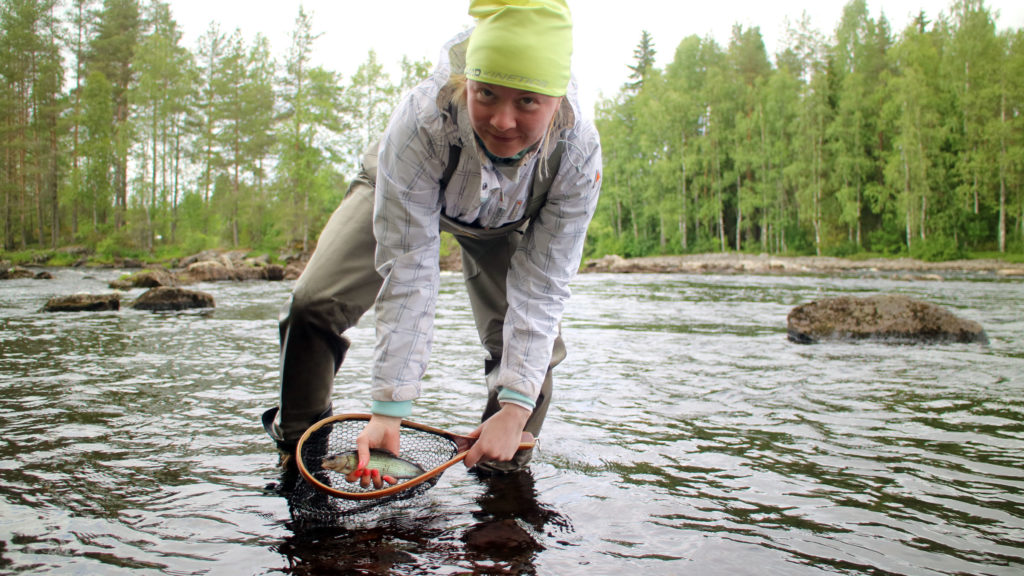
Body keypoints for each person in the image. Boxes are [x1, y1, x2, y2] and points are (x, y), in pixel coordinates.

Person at [263, 0, 602, 482]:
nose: (503, 121)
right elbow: (410, 273)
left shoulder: (577, 154)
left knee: (533, 362)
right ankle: (300, 454)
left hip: (504, 222)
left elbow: (544, 288)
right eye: (485, 93)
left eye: (527, 101)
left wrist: (515, 407)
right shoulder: (422, 121)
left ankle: (503, 479)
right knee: (313, 305)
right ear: (467, 83)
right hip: (402, 190)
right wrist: (388, 408)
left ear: (556, 98)